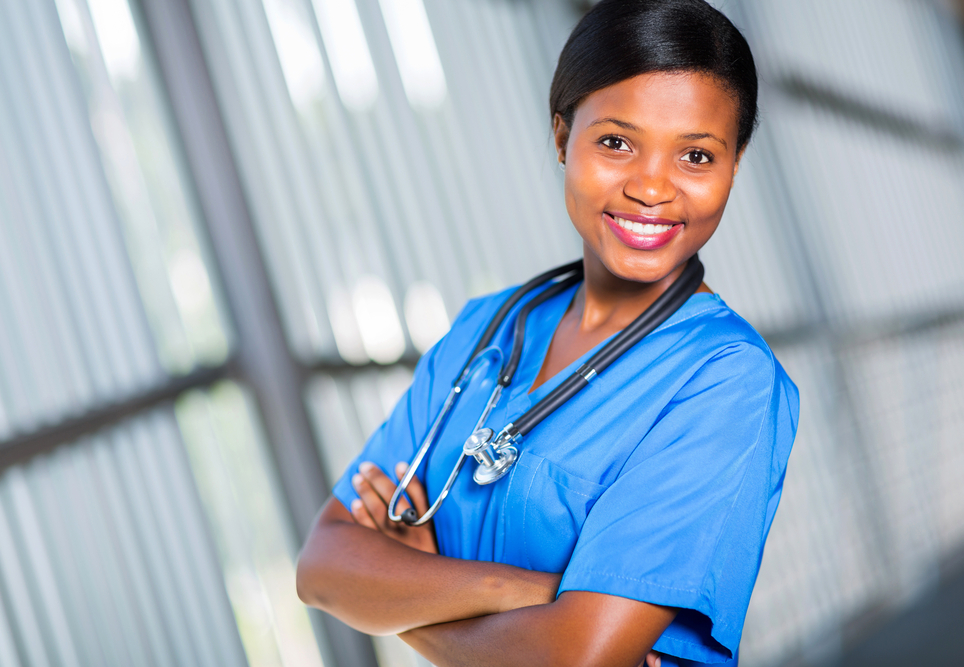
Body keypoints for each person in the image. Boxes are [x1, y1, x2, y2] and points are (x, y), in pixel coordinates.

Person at [297, 1, 799, 665]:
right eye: (617, 142)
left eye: (697, 155)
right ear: (562, 137)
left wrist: (405, 600)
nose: (652, 187)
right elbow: (324, 564)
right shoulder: (487, 328)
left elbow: (577, 657)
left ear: (734, 166)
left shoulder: (726, 379)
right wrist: (521, 590)